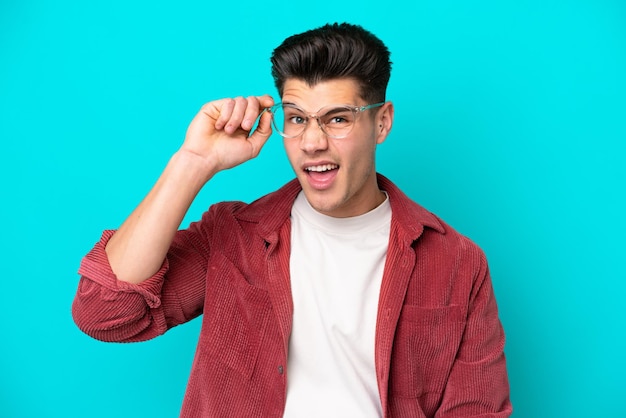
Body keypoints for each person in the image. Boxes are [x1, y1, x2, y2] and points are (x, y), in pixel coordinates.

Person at [72, 22, 512, 417]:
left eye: (338, 118)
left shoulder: (456, 261)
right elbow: (105, 313)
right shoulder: (233, 236)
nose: (312, 142)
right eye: (297, 118)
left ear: (382, 123)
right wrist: (193, 162)